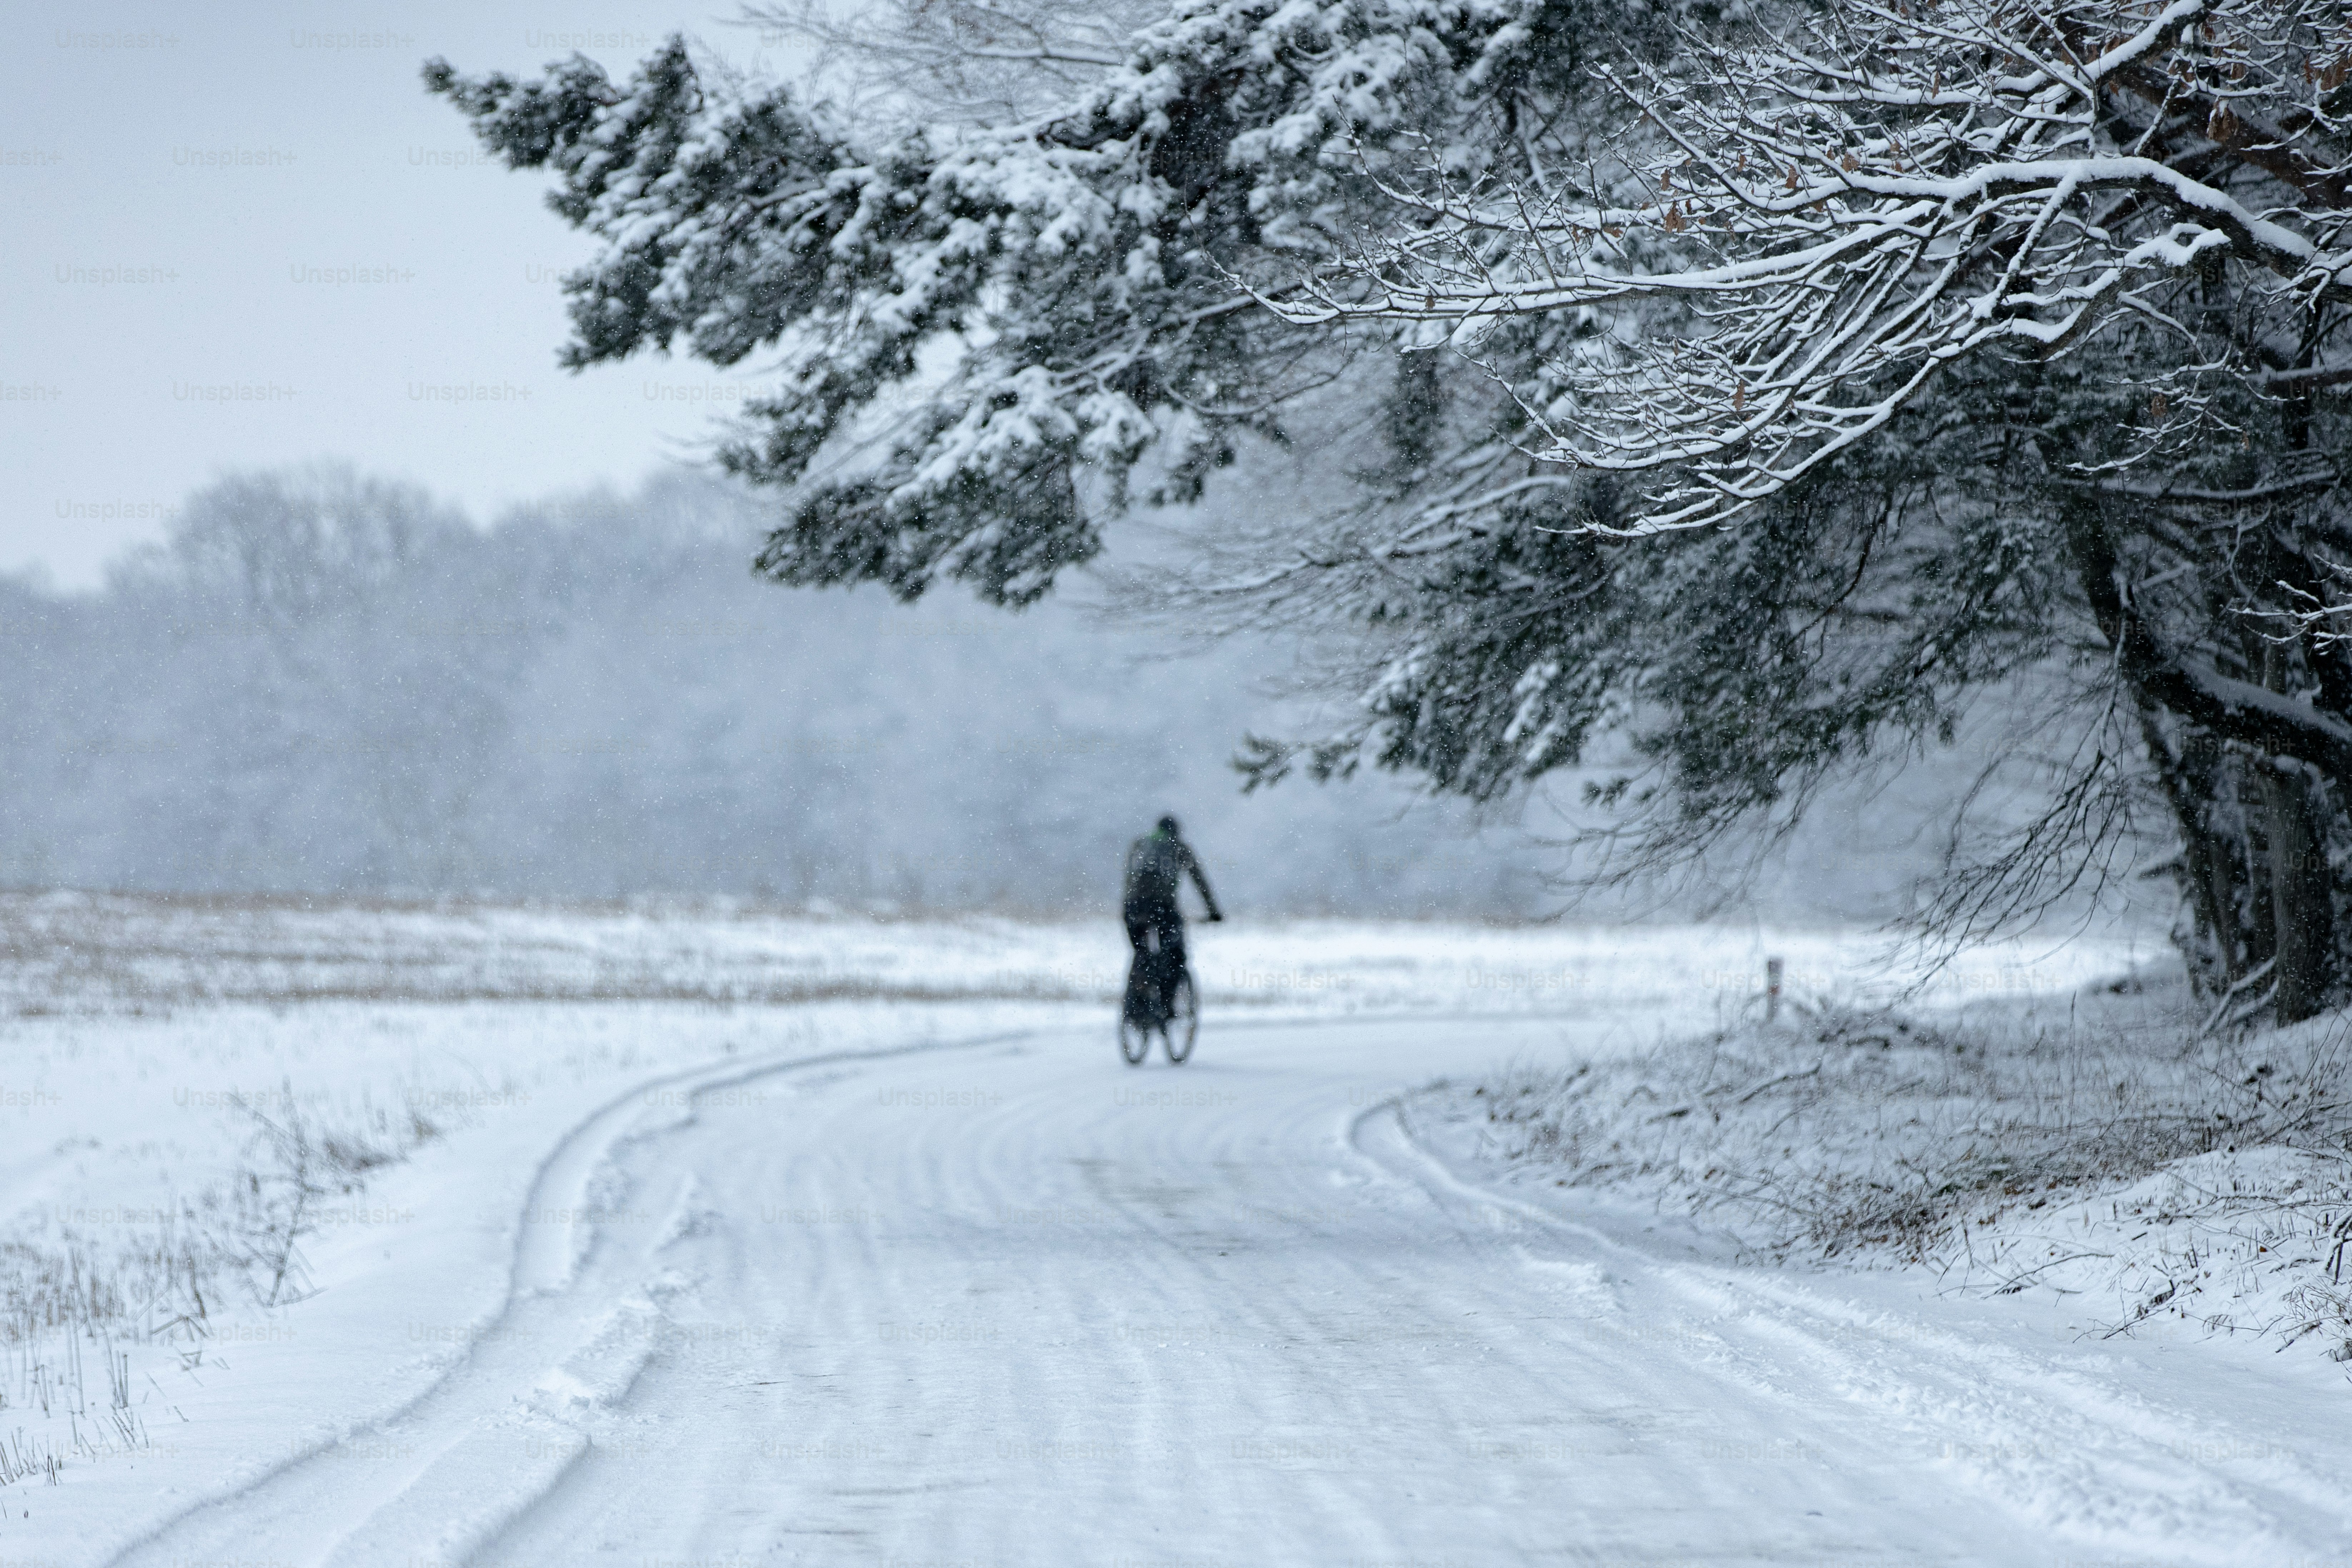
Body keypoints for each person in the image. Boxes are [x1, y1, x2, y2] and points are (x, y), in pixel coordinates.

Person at [1121, 815, 1221, 1011]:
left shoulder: (1140, 844)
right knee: (1175, 956)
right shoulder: (1179, 848)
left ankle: (1137, 1003)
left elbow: (1129, 878)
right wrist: (1213, 912)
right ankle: (1167, 1007)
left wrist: (1132, 906)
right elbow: (1200, 881)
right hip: (1163, 908)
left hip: (1133, 907)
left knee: (1142, 953)